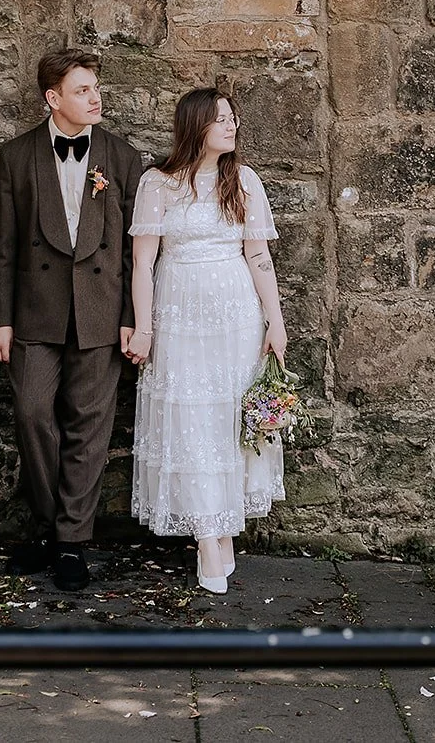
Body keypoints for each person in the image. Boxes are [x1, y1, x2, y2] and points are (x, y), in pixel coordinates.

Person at [0, 46, 142, 591]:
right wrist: (0, 318)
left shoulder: (122, 157)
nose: (95, 98)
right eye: (82, 90)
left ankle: (71, 541)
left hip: (101, 311)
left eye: (96, 88)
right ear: (53, 98)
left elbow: (134, 251)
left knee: (89, 428)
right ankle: (51, 525)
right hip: (35, 311)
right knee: (32, 413)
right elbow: (2, 247)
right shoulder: (16, 156)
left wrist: (131, 317)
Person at [123, 88, 287, 594]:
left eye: (233, 118)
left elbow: (258, 256)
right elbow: (143, 263)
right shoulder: (158, 183)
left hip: (235, 315)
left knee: (227, 421)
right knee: (188, 421)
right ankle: (207, 536)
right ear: (195, 125)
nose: (231, 125)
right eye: (221, 119)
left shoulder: (244, 180)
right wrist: (144, 328)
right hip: (179, 316)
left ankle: (222, 524)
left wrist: (275, 321)